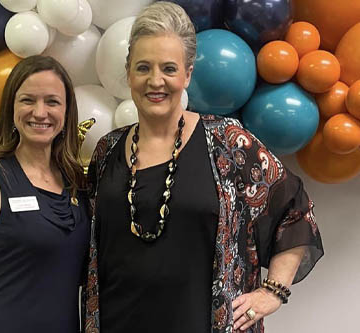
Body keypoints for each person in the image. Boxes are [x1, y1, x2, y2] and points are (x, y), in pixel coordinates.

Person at [82, 2, 323, 333]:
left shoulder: (227, 141)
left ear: (187, 73)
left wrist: (274, 291)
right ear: (128, 74)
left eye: (169, 68)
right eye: (143, 68)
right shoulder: (106, 150)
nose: (156, 81)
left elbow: (294, 210)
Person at [0, 55, 90, 333]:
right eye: (28, 100)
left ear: (66, 111)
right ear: (11, 108)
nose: (40, 112)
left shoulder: (77, 182)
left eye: (52, 101)